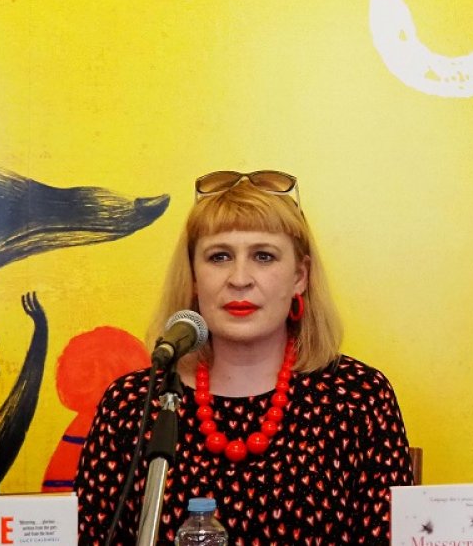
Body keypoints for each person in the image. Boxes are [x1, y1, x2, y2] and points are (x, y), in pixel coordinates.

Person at [75, 170, 413, 545]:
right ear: (193, 278)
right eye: (219, 256)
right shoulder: (133, 403)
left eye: (263, 256)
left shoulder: (358, 396)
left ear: (300, 276)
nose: (239, 278)